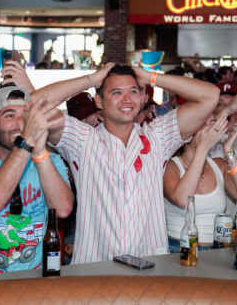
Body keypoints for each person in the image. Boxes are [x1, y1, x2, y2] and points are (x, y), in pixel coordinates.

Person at [33, 63, 219, 263]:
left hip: (149, 265)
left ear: (142, 97)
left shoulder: (157, 137)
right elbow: (36, 103)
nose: (127, 99)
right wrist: (92, 80)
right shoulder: (82, 139)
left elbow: (210, 96)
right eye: (116, 93)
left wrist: (149, 77)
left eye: (133, 91)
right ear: (99, 101)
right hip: (94, 268)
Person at [0, 85, 73, 277]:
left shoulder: (50, 161)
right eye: (9, 115)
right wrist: (26, 142)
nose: (20, 124)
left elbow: (63, 209)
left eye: (26, 116)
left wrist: (41, 152)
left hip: (32, 281)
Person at [163, 116, 237, 251]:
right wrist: (202, 148)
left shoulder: (218, 164)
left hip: (216, 249)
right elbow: (183, 200)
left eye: (213, 123)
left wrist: (228, 150)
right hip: (179, 248)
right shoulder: (170, 165)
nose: (213, 129)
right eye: (205, 123)